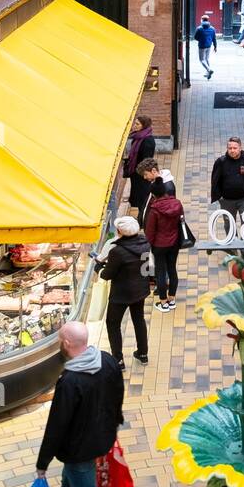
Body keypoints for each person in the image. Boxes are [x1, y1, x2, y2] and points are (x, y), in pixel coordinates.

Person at [28, 321, 124, 487]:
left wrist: (42, 463)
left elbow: (57, 425)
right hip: (101, 440)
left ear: (67, 344)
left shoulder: (70, 380)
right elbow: (118, 395)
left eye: (60, 340)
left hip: (79, 451)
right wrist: (113, 425)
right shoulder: (107, 361)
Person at [96, 216, 151, 370]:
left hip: (121, 294)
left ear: (120, 231)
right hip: (140, 289)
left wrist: (99, 269)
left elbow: (108, 274)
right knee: (139, 320)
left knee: (113, 324)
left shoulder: (117, 251)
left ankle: (118, 360)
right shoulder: (145, 243)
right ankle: (143, 353)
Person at [143, 177, 185, 311]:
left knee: (160, 272)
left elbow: (150, 231)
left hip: (159, 245)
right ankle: (172, 299)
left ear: (154, 194)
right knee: (172, 269)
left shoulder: (154, 210)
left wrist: (148, 245)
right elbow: (181, 222)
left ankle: (163, 302)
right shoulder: (177, 204)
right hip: (175, 243)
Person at [210, 137, 244, 232]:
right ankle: (231, 245)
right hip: (227, 200)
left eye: (235, 148)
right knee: (229, 225)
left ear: (240, 148)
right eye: (230, 148)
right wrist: (219, 197)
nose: (232, 150)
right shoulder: (221, 162)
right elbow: (215, 180)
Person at [123, 115, 155, 216]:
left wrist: (141, 173)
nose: (134, 126)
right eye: (135, 123)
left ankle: (143, 219)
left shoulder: (147, 141)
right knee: (136, 198)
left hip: (142, 175)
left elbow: (146, 160)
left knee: (142, 198)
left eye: (137, 124)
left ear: (143, 126)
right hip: (135, 174)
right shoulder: (137, 137)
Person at [137, 158, 176, 231]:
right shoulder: (155, 183)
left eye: (145, 174)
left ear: (154, 171)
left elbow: (166, 214)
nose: (144, 177)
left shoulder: (168, 188)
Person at [194, 14, 217, 79]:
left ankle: (209, 70)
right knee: (207, 59)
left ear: (202, 20)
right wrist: (215, 46)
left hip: (202, 46)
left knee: (202, 60)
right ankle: (208, 73)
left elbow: (195, 37)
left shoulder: (199, 28)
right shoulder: (212, 28)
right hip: (209, 45)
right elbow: (214, 38)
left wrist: (200, 40)